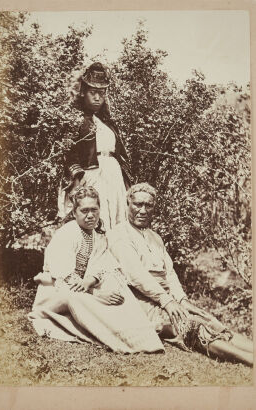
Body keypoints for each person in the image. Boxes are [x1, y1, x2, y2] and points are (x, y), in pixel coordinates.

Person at [108, 183, 253, 366]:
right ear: (128, 203)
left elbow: (169, 273)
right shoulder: (119, 234)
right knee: (190, 325)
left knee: (208, 319)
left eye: (149, 205)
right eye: (138, 204)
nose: (143, 210)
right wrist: (167, 301)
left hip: (164, 297)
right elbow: (136, 275)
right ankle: (249, 360)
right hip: (139, 299)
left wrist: (182, 300)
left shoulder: (155, 237)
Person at [29, 186, 164, 353]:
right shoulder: (66, 234)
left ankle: (138, 334)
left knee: (116, 281)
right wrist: (97, 294)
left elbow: (104, 265)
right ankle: (116, 334)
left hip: (83, 289)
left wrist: (91, 281)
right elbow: (64, 279)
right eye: (84, 210)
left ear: (100, 210)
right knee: (75, 297)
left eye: (94, 209)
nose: (90, 215)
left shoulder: (97, 235)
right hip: (57, 293)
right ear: (74, 212)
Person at [58, 62, 132, 231]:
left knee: (117, 220)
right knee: (96, 218)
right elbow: (69, 153)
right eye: (93, 93)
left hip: (114, 176)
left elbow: (120, 155)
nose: (98, 97)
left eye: (101, 93)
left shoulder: (108, 123)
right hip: (91, 176)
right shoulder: (76, 120)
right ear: (83, 92)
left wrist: (128, 186)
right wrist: (77, 179)